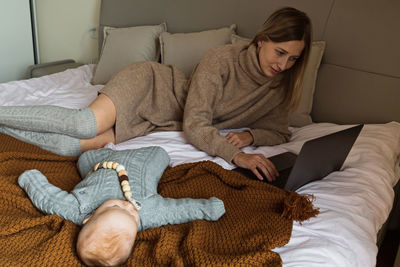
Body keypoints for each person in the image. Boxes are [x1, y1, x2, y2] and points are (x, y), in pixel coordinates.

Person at [0, 7, 311, 182]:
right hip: (149, 86)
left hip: (159, 121)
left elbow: (280, 132)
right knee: (85, 124)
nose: (282, 65)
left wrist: (249, 135)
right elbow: (196, 123)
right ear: (260, 40)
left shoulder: (278, 86)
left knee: (89, 144)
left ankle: (5, 133)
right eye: (279, 52)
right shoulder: (221, 60)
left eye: (293, 59)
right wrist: (236, 155)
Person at [18, 146, 225, 266]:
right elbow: (180, 210)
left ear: (88, 219)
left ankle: (108, 147)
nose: (129, 207)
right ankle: (119, 148)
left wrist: (29, 178)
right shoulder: (149, 213)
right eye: (132, 217)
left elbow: (47, 198)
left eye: (117, 207)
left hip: (98, 164)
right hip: (142, 161)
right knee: (161, 153)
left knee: (84, 159)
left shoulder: (76, 209)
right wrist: (207, 208)